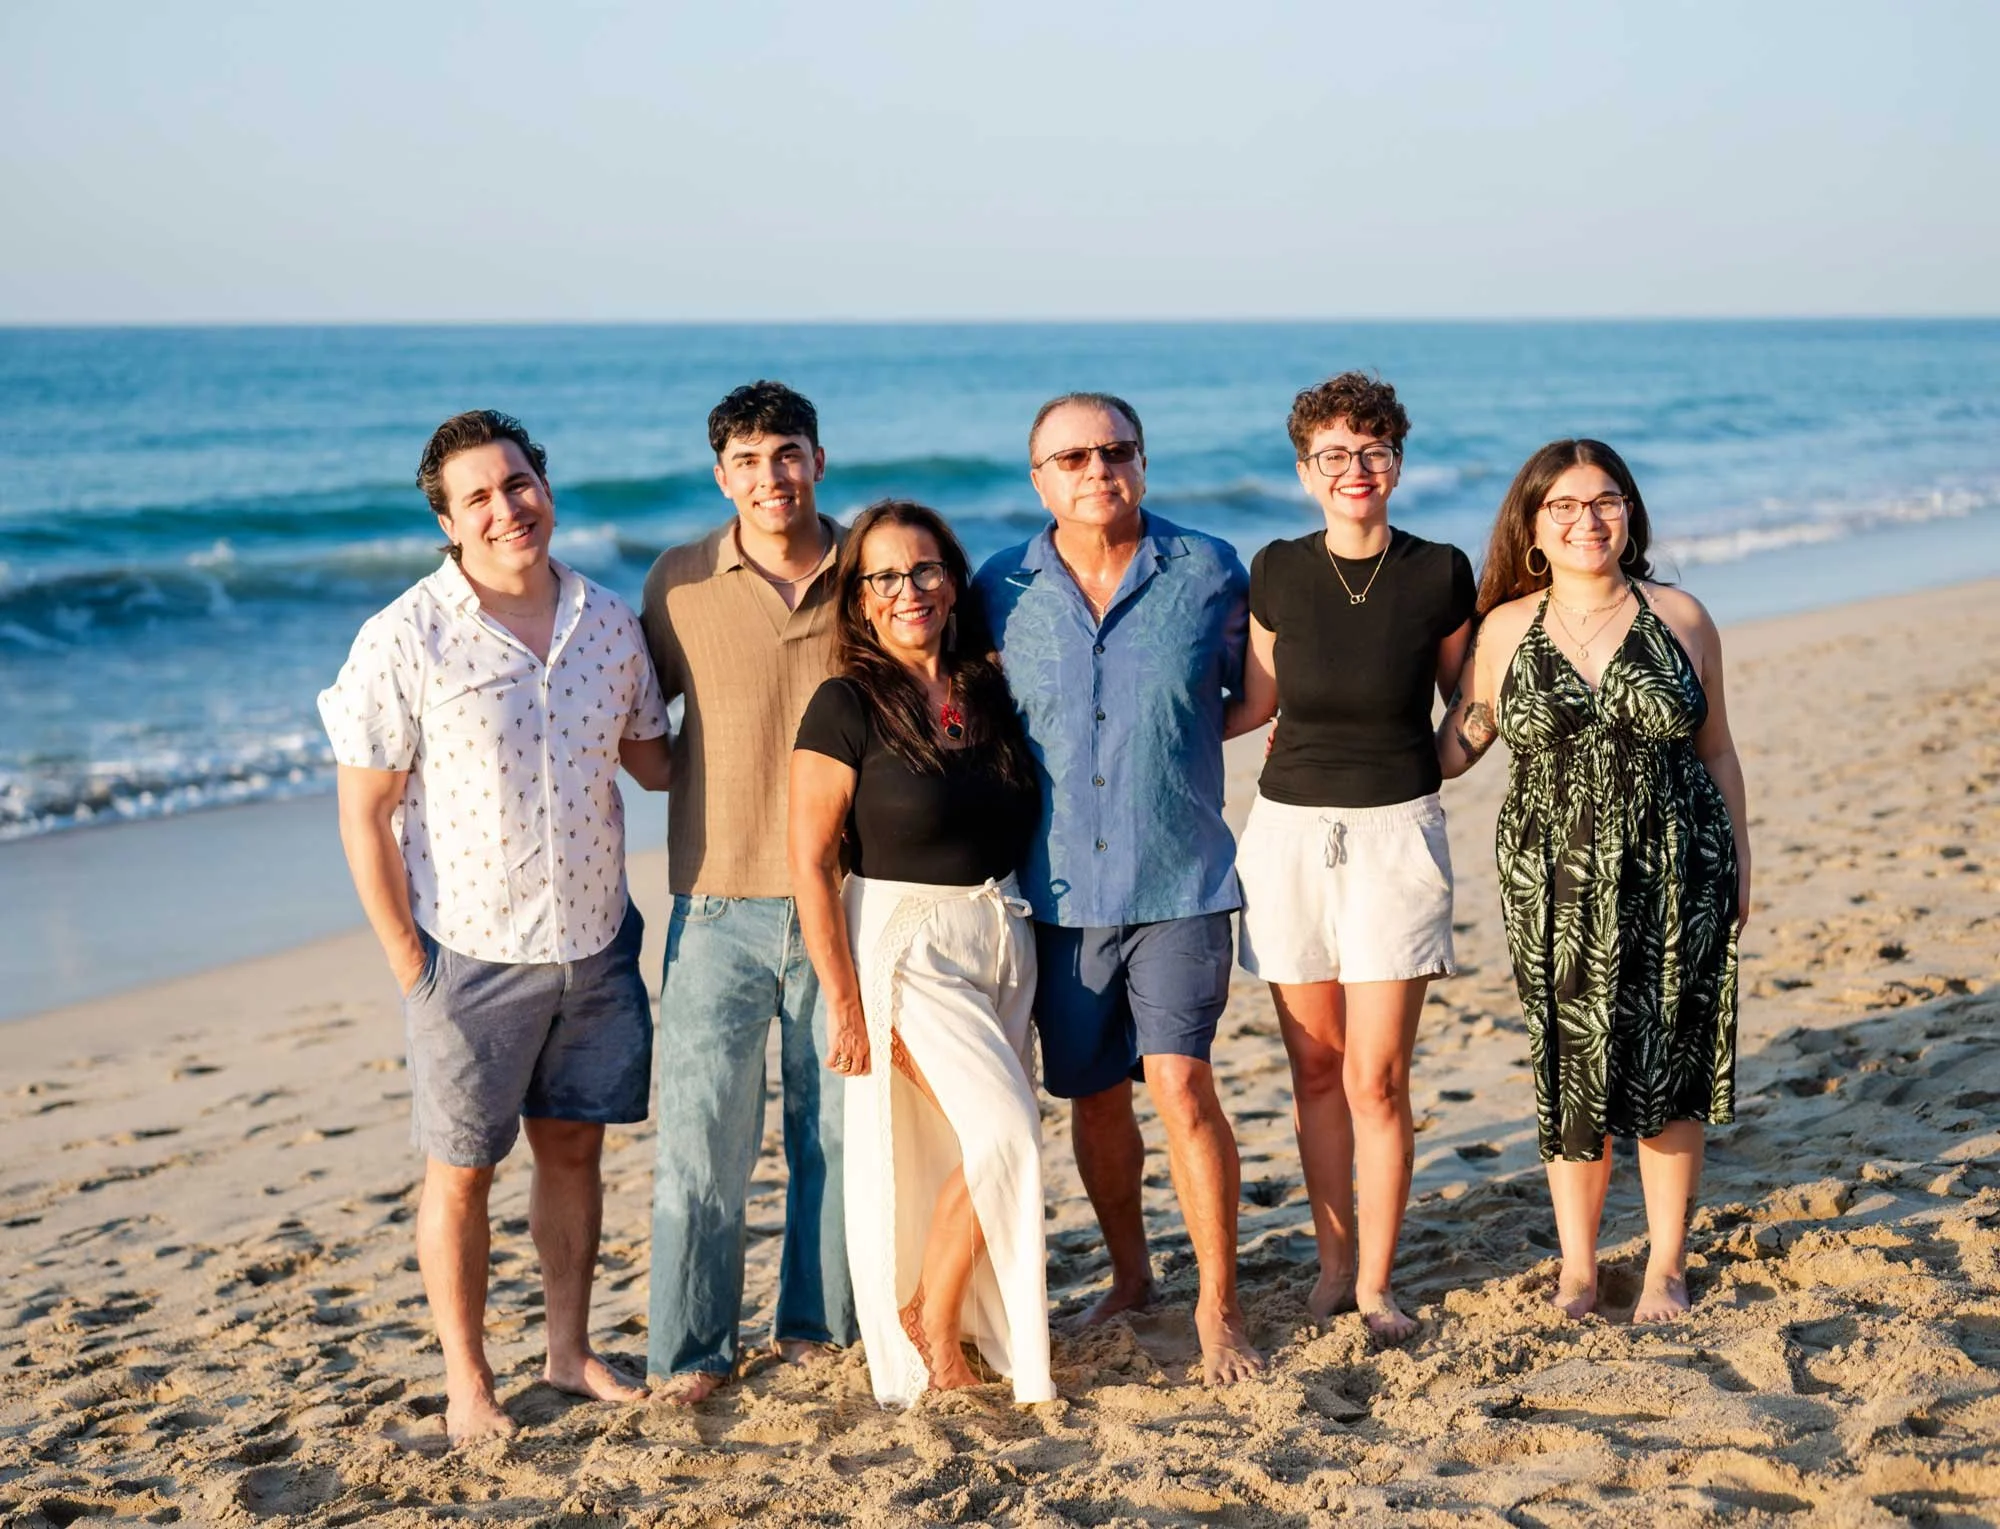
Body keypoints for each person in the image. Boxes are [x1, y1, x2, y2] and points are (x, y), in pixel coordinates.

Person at [318, 409, 673, 1444]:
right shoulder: (403, 637)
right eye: (476, 495)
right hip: (466, 954)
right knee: (461, 1170)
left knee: (571, 1152)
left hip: (597, 942)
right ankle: (468, 1379)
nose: (504, 506)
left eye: (516, 483)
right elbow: (364, 812)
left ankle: (567, 1350)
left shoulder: (607, 621)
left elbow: (654, 761)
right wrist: (407, 963)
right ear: (445, 517)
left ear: (543, 487)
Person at [971, 391, 1266, 1386]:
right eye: (1071, 458)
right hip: (1055, 892)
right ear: (1038, 479)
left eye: (1115, 451)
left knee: (1180, 1083)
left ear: (1140, 459)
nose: (1097, 471)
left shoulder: (1208, 568)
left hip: (1180, 873)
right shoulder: (997, 584)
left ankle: (1218, 1303)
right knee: (1092, 1097)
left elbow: (1249, 696)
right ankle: (1131, 1274)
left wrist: (1161, 748)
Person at [1437, 438, 1749, 1323]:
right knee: (1572, 1071)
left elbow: (1717, 751)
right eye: (1565, 506)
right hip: (1552, 885)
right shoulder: (1505, 629)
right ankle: (1578, 1269)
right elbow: (1454, 752)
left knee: (1666, 1068)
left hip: (1676, 870)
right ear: (1533, 526)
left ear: (1630, 513)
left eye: (1605, 501)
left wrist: (1741, 872)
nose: (1587, 520)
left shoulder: (1681, 617)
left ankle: (1664, 1267)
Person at [1226, 372, 1476, 1344]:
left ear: (1396, 463)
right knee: (1314, 1071)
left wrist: (1436, 765)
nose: (1354, 469)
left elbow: (1467, 703)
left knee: (1377, 1076)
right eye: (1333, 454)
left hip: (1393, 839)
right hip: (1285, 839)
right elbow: (1251, 703)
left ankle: (1374, 1279)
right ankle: (1331, 1265)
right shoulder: (1277, 569)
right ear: (1304, 471)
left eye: (1371, 451)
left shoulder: (1437, 570)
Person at [789, 500, 1051, 1406]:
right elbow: (811, 863)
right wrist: (844, 999)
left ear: (954, 578)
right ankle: (929, 1327)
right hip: (906, 950)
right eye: (887, 576)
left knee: (979, 1144)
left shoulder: (990, 687)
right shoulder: (844, 704)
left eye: (928, 569)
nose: (911, 590)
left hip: (1001, 936)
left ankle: (936, 1310)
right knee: (1007, 1132)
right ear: (859, 598)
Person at [639, 381, 858, 1403]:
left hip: (847, 899)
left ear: (817, 458)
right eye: (747, 458)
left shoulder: (872, 566)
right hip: (714, 902)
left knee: (836, 1130)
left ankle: (817, 1324)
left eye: (786, 452)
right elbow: (639, 726)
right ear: (718, 474)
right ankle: (691, 1351)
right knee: (700, 1137)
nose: (769, 475)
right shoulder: (677, 582)